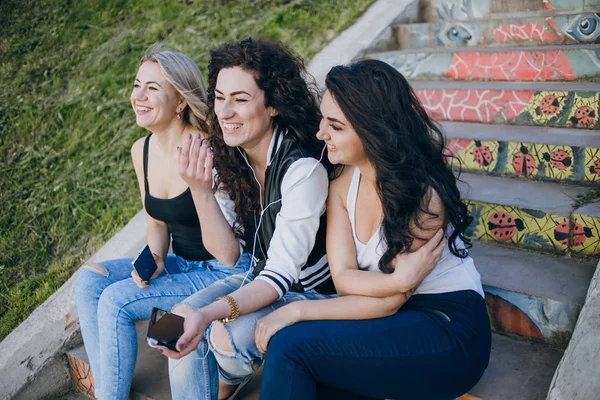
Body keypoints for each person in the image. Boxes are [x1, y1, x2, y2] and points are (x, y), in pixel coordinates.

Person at [255, 59, 491, 400]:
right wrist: (396, 280)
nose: (321, 133)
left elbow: (388, 303)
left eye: (335, 126)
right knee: (304, 379)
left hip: (446, 330)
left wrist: (294, 311)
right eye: (323, 119)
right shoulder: (342, 182)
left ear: (372, 131)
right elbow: (345, 279)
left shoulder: (423, 197)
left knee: (292, 349)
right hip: (388, 323)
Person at [158, 37, 342, 400]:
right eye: (220, 97)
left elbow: (280, 278)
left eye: (240, 100)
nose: (225, 112)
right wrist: (200, 190)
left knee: (221, 333)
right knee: (176, 320)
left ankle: (226, 380)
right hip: (259, 276)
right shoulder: (231, 154)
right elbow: (227, 255)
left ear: (272, 104)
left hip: (311, 293)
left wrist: (210, 314)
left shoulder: (302, 169)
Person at [74, 45, 250, 400]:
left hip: (221, 270)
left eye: (152, 88)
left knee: (115, 302)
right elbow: (157, 226)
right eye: (137, 85)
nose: (139, 96)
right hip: (182, 265)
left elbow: (232, 254)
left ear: (181, 100)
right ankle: (110, 385)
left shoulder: (205, 150)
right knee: (90, 283)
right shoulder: (142, 150)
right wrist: (150, 263)